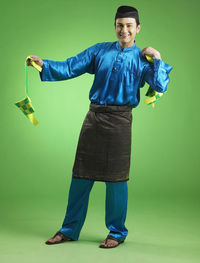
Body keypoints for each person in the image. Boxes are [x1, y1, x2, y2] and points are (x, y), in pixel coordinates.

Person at [27, 5, 173, 248]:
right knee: (80, 177)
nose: (123, 30)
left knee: (116, 181)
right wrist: (44, 65)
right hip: (94, 119)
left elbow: (160, 85)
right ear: (114, 27)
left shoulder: (143, 60)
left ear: (138, 29)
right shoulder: (100, 51)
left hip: (120, 122)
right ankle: (69, 229)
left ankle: (116, 233)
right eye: (119, 25)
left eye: (129, 25)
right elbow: (71, 66)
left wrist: (156, 57)